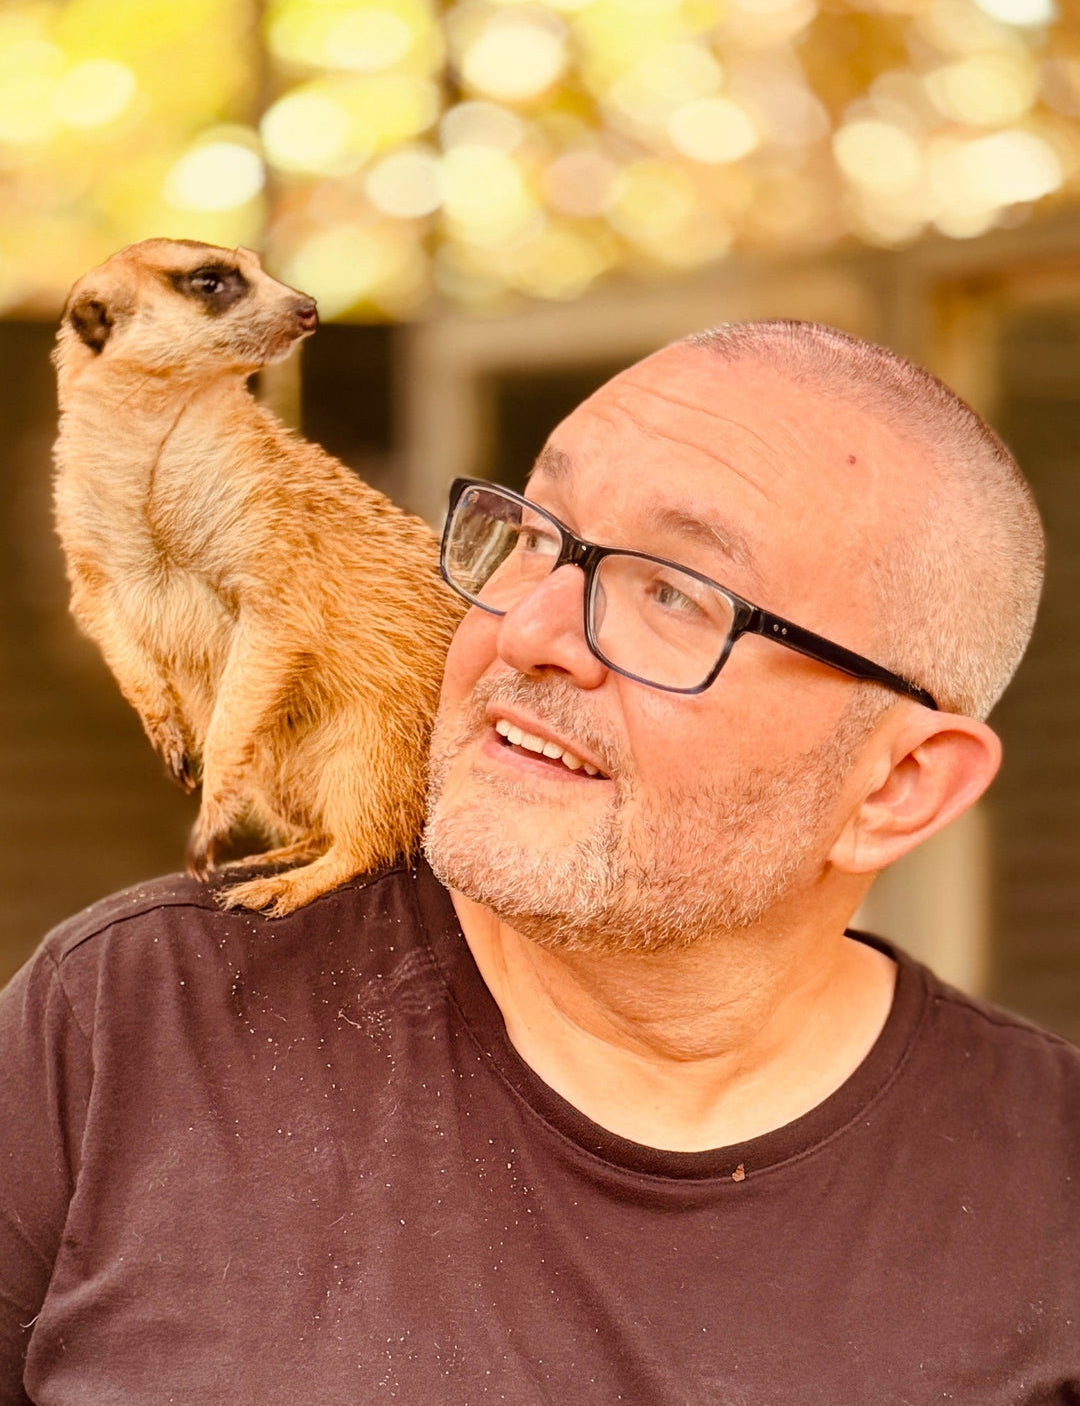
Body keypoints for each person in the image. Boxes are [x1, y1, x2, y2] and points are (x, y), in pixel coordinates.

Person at [2, 320, 1076, 1405]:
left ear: (899, 786)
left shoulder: (1052, 1202)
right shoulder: (129, 1020)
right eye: (536, 534)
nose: (526, 631)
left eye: (674, 591)